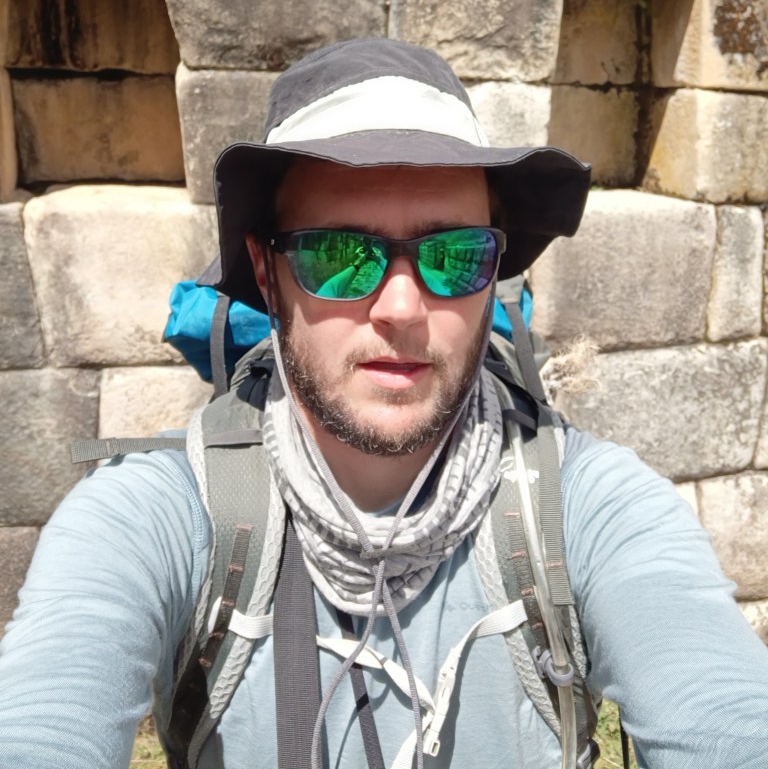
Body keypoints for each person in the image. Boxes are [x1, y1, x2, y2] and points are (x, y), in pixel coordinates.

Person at [1, 37, 767, 769]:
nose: (401, 307)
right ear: (267, 275)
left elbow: (723, 715)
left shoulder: (588, 507)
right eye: (339, 254)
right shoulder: (154, 516)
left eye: (454, 255)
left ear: (493, 272)